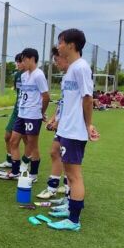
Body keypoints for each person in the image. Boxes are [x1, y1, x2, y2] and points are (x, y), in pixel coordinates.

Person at [47, 28, 99, 231]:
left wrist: (88, 125)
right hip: (67, 129)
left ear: (71, 44)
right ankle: (70, 207)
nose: (58, 46)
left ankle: (74, 220)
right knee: (69, 174)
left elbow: (88, 98)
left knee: (74, 175)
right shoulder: (72, 69)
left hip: (75, 130)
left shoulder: (81, 68)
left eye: (60, 42)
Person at [0, 48, 49, 181]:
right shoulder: (23, 75)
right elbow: (22, 95)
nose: (22, 62)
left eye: (24, 60)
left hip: (33, 115)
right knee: (13, 141)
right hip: (21, 113)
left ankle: (33, 174)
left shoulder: (39, 75)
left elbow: (46, 96)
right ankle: (16, 171)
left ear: (32, 58)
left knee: (32, 145)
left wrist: (41, 112)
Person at [37, 47, 69, 200]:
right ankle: (55, 187)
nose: (56, 63)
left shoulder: (78, 73)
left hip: (71, 126)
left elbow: (79, 104)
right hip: (63, 124)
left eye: (57, 60)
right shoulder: (66, 78)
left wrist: (61, 121)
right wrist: (54, 118)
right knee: (55, 152)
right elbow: (63, 102)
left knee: (66, 158)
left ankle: (60, 189)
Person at [0, 53, 31, 170]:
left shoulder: (31, 75)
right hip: (17, 110)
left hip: (28, 112)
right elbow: (18, 94)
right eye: (17, 62)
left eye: (20, 62)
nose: (18, 64)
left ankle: (27, 163)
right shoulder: (17, 76)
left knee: (27, 139)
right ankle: (10, 160)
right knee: (7, 136)